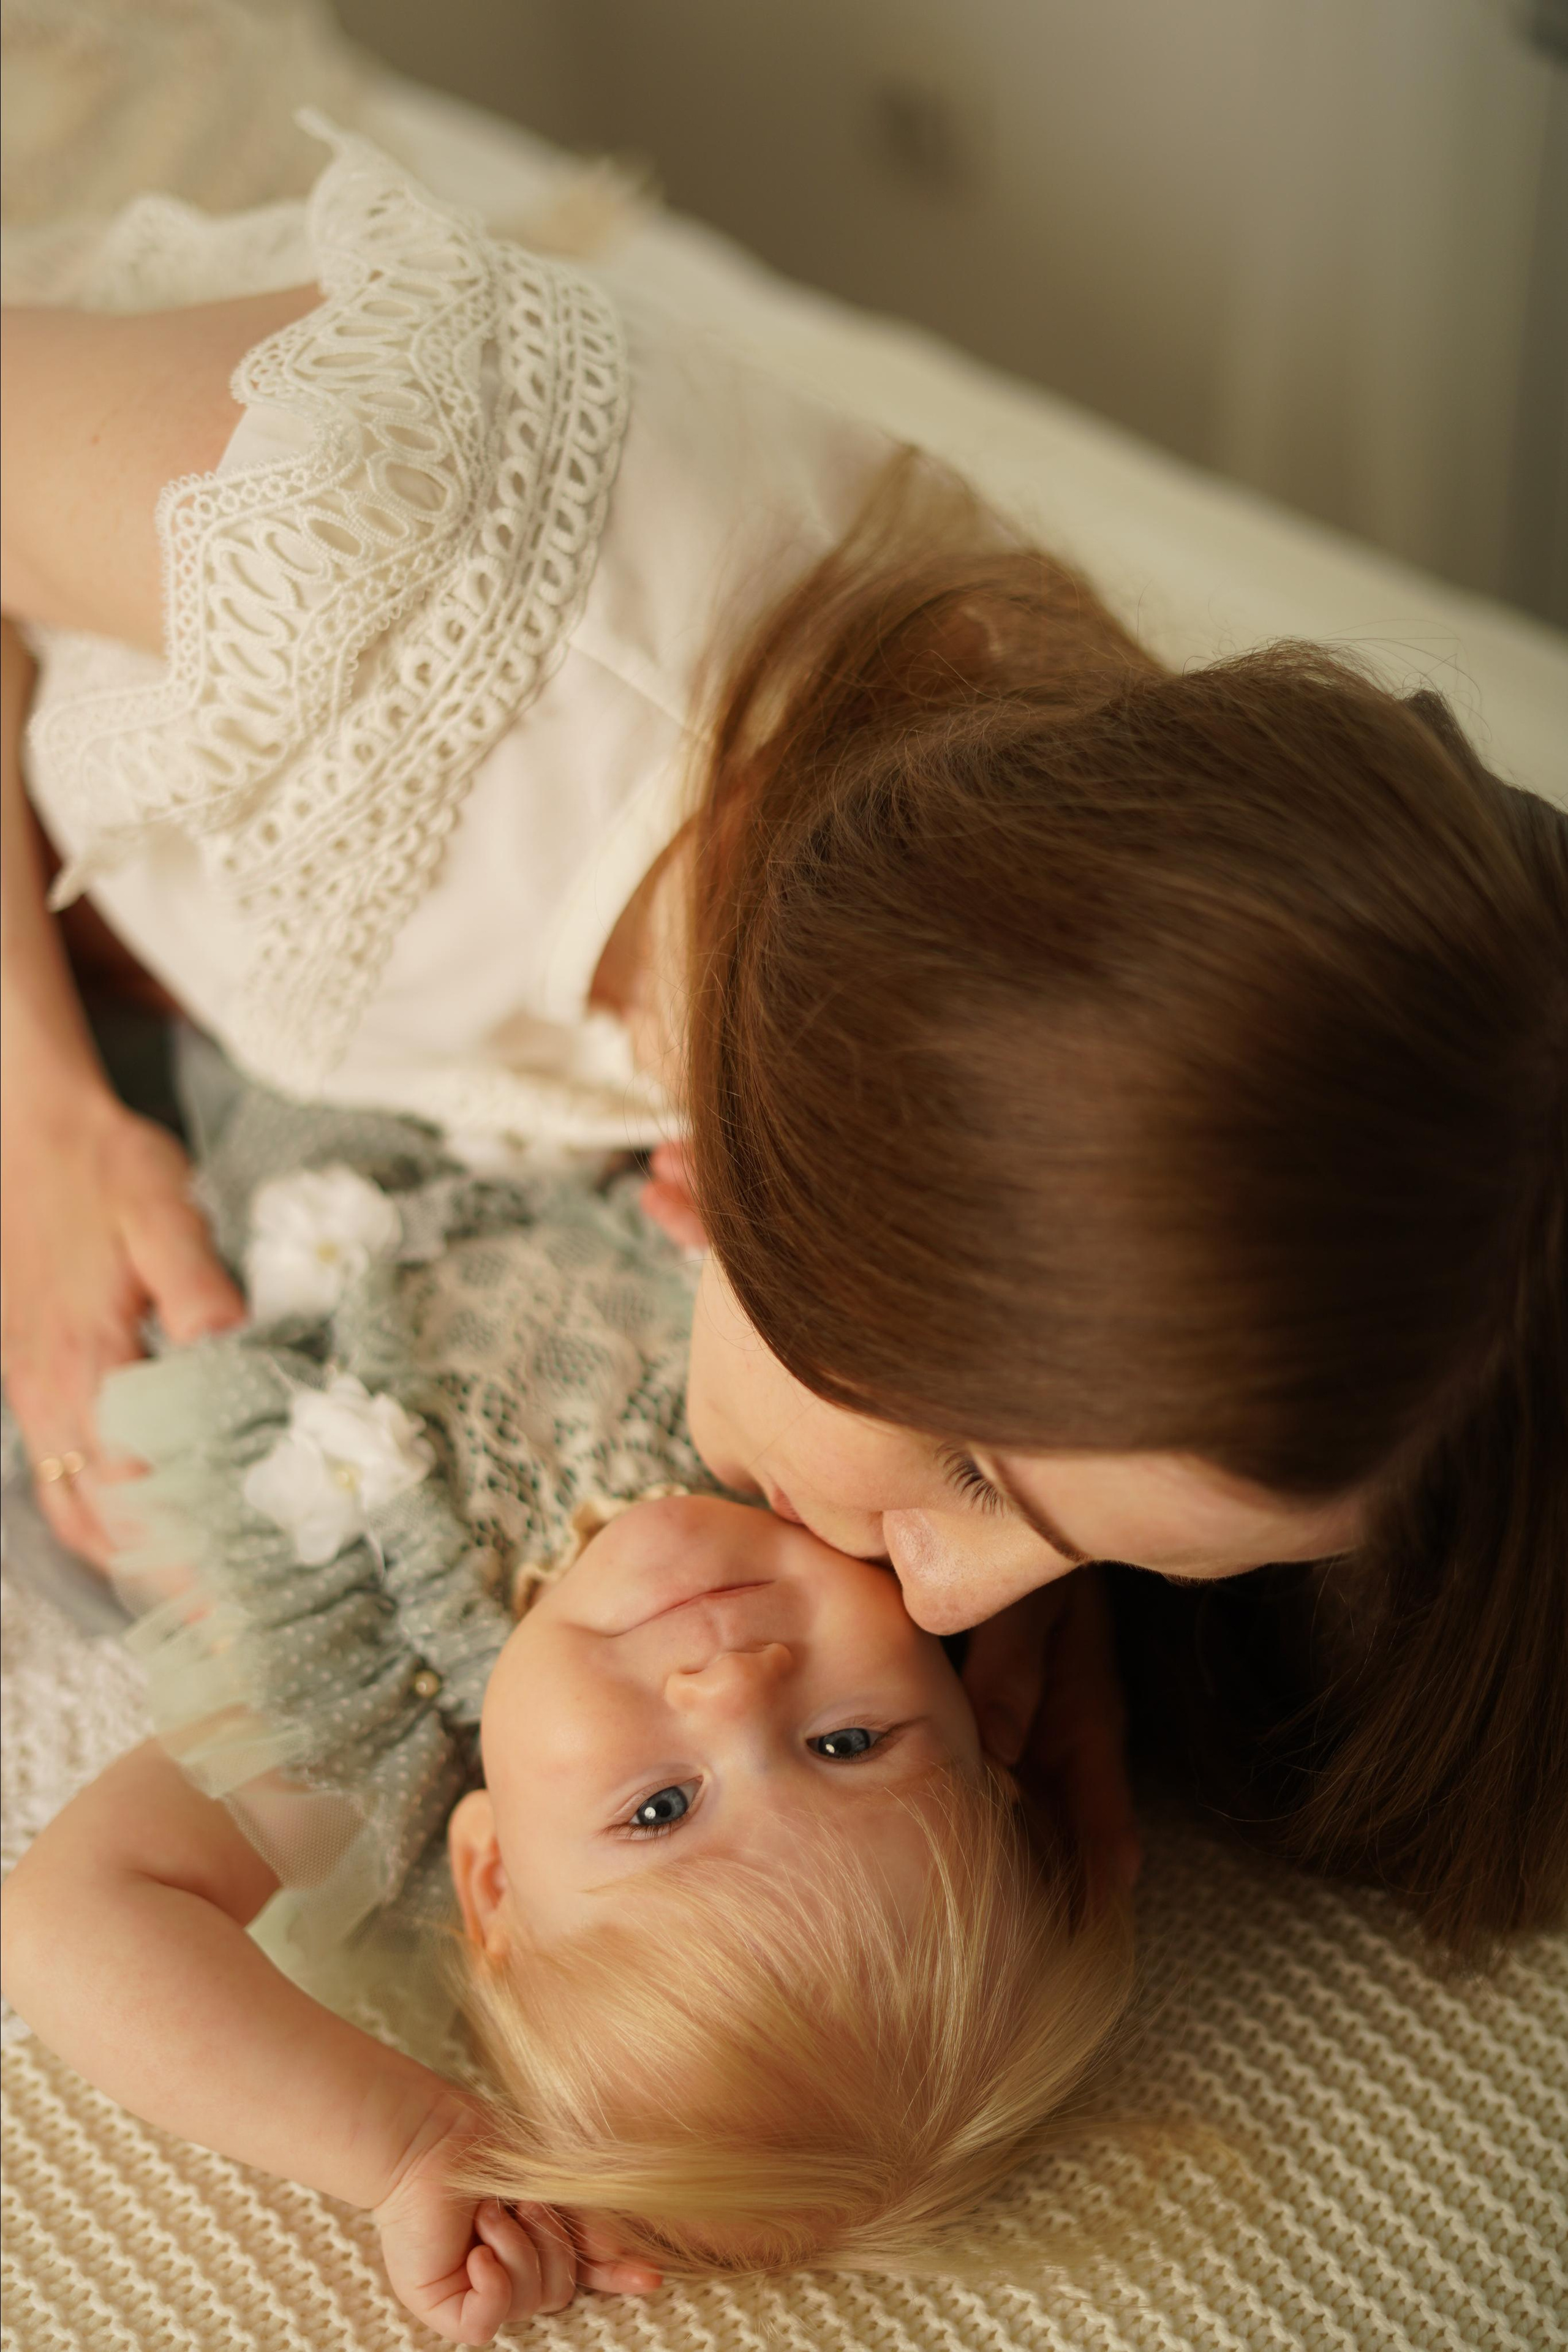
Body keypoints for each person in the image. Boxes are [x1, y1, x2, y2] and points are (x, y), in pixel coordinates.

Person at [2, 125, 1564, 1960]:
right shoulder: (386, 540)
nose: (959, 1598)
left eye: (1099, 1552)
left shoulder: (1013, 935)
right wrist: (36, 1115)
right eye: (988, 1487)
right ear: (899, 1186)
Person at [0, 1096, 1131, 2345]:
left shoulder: (374, 1715)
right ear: (975, 1718)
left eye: (660, 1808)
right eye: (847, 1744)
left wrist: (407, 2145)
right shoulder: (847, 1476)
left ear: (490, 1883)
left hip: (146, 1174)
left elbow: (65, 1922)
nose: (734, 1685)